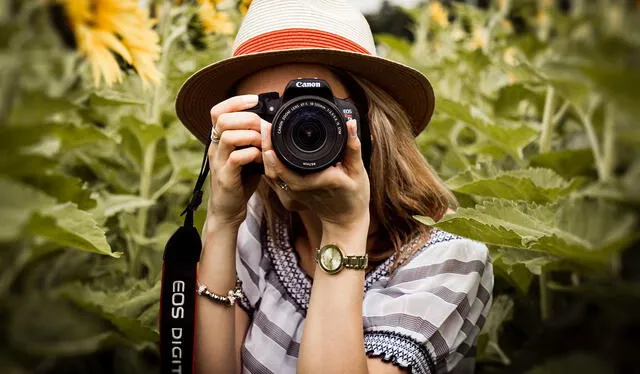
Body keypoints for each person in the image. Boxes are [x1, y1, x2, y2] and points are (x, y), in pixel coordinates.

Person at [174, 1, 494, 373]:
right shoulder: (261, 221)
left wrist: (343, 228)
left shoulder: (450, 256)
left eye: (315, 108)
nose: (291, 130)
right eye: (269, 112)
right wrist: (221, 219)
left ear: (371, 122)